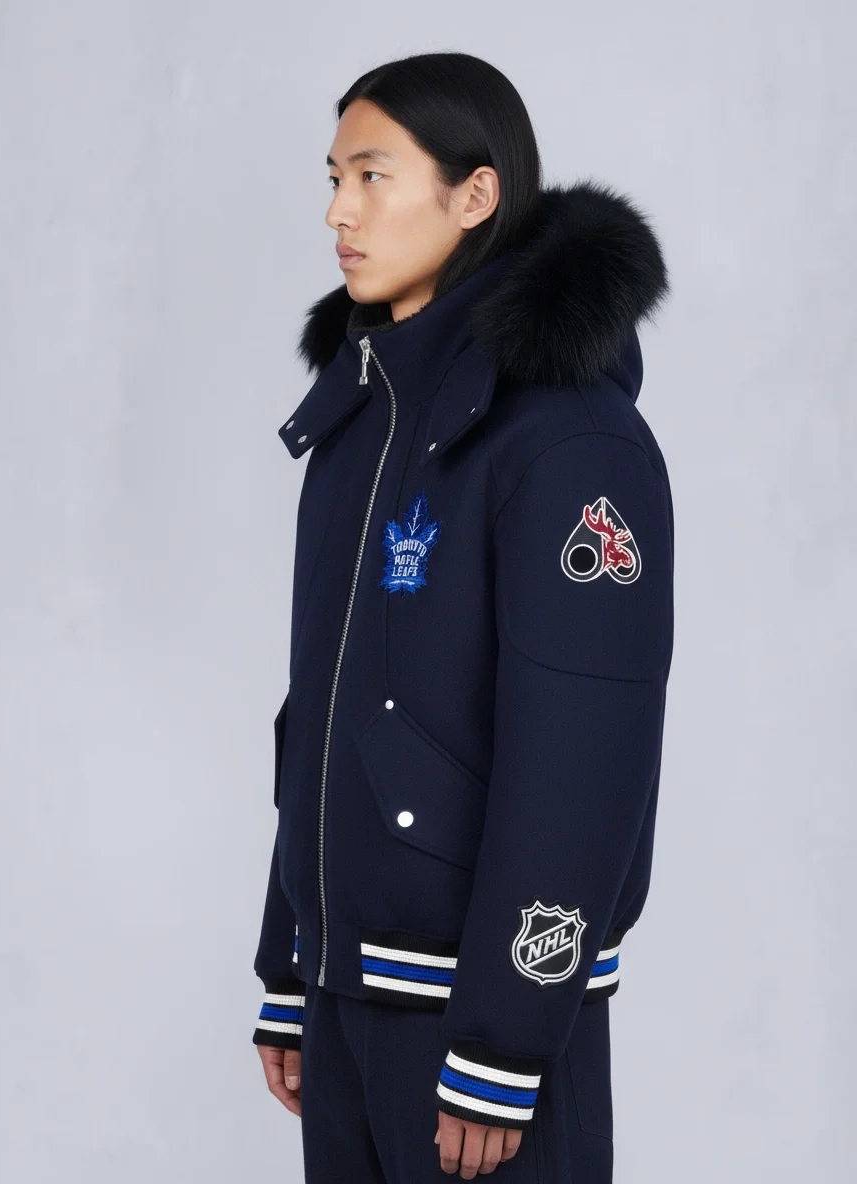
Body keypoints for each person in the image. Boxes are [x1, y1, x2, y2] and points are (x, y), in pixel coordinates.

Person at [251, 50, 674, 1183]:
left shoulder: (569, 440)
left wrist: (504, 1039)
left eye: (372, 176)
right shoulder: (358, 424)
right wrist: (292, 966)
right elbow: (323, 712)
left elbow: (585, 755)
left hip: (476, 1029)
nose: (339, 213)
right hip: (348, 995)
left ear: (475, 193)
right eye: (333, 178)